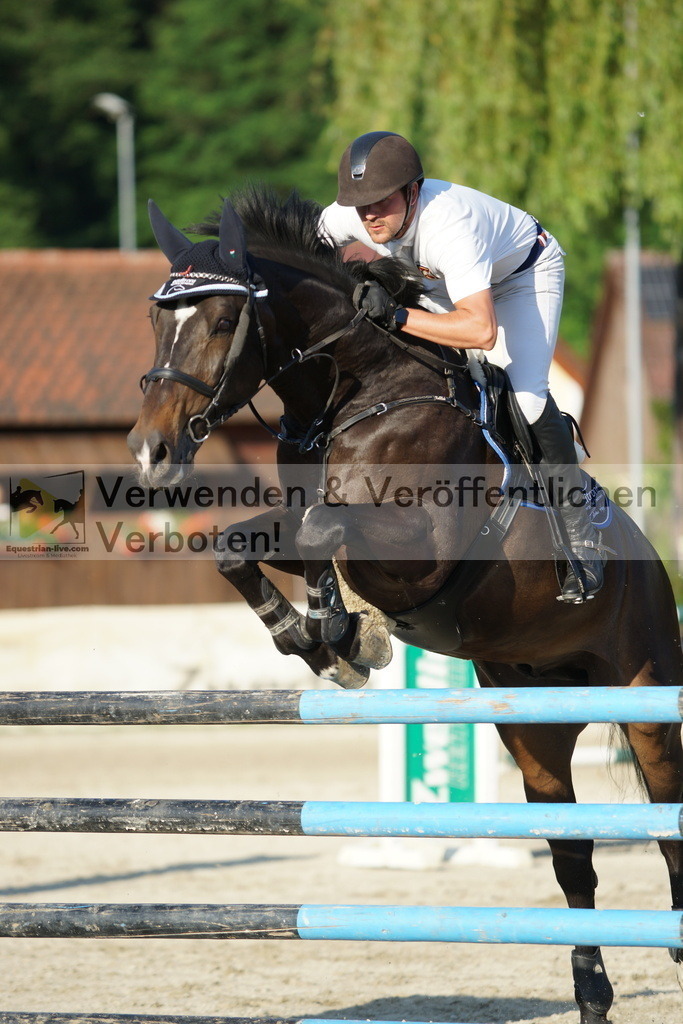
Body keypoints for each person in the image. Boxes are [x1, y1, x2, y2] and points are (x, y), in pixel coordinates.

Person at [319, 130, 604, 603]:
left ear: (413, 191)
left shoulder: (449, 225)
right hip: (442, 283)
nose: (369, 215)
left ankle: (582, 527)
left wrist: (397, 314)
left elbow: (480, 332)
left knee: (527, 399)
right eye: (360, 204)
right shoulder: (353, 215)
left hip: (521, 277)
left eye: (380, 202)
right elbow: (293, 247)